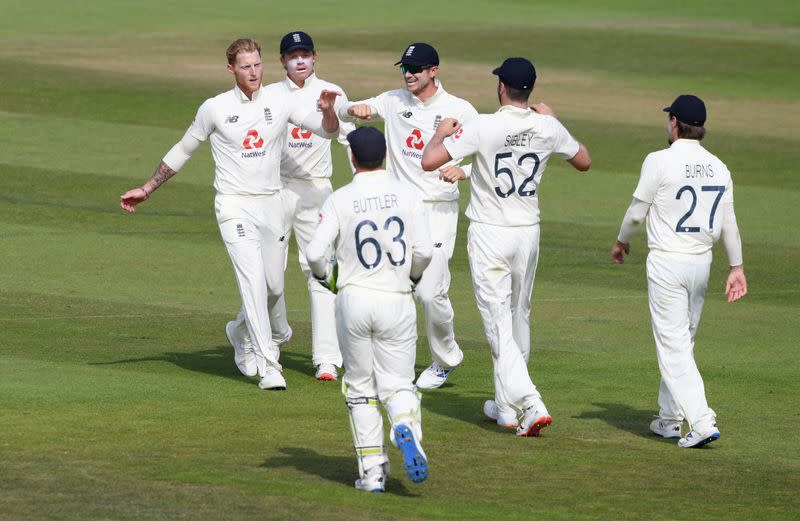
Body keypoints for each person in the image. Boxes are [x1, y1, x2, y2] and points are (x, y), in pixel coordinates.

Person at [119, 38, 340, 391]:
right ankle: (270, 365)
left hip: (271, 203)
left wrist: (329, 110)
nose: (253, 72)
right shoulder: (215, 108)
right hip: (233, 205)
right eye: (245, 66)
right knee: (252, 282)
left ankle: (238, 332)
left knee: (272, 288)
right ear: (231, 69)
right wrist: (147, 188)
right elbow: (184, 148)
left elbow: (327, 130)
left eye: (257, 65)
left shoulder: (280, 100)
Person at [421, 57, 591, 436]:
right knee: (519, 316)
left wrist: (439, 133)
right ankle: (505, 407)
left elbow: (429, 161)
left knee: (498, 322)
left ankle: (531, 403)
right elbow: (583, 160)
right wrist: (554, 120)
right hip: (527, 232)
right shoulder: (547, 125)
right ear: (529, 90)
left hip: (490, 233)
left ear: (502, 88)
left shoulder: (483, 125)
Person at [338, 43, 478, 389]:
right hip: (399, 211)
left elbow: (486, 151)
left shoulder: (460, 109)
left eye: (416, 68)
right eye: (405, 68)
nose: (408, 74)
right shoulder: (393, 100)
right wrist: (347, 107)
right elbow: (353, 111)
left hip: (438, 207)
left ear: (434, 71)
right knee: (390, 286)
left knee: (430, 293)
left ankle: (446, 359)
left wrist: (465, 172)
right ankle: (383, 357)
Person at [611, 94, 747, 448]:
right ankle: (670, 418)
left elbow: (637, 212)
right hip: (702, 261)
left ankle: (700, 420)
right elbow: (729, 222)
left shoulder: (659, 160)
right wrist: (737, 266)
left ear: (674, 123)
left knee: (673, 345)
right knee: (683, 340)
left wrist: (622, 241)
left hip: (668, 261)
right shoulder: (719, 166)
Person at [305, 126, 433, 492]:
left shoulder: (339, 200)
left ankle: (373, 472)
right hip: (396, 299)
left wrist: (325, 278)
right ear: (386, 157)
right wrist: (410, 277)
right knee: (398, 383)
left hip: (354, 299)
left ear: (352, 158)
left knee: (360, 388)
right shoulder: (407, 195)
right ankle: (404, 425)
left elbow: (314, 253)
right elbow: (424, 252)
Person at [226, 31, 355, 382]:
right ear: (281, 61)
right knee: (270, 280)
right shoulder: (268, 95)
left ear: (315, 57)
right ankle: (252, 331)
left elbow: (348, 139)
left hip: (317, 190)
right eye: (292, 55)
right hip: (275, 191)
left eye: (305, 54)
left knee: (321, 270)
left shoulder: (332, 92)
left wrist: (362, 181)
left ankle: (327, 358)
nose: (300, 61)